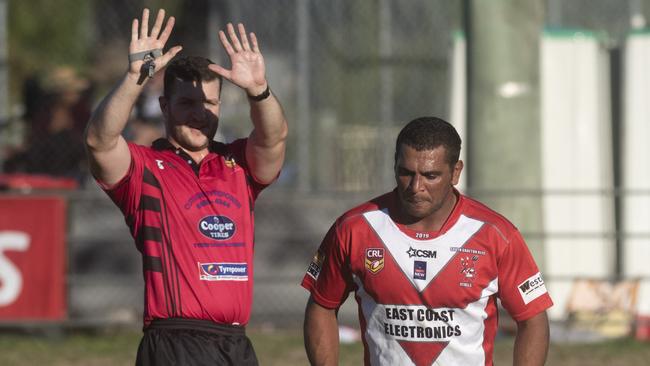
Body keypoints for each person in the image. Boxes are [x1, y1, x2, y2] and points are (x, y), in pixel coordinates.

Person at [84, 8, 287, 366]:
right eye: (187, 103)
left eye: (209, 103)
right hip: (174, 343)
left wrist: (259, 91)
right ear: (164, 106)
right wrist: (135, 77)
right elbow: (100, 141)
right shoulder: (143, 169)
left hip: (236, 344)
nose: (199, 113)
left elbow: (273, 138)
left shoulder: (239, 164)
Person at [302, 117, 552, 366]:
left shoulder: (496, 235)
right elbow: (322, 305)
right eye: (405, 173)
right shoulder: (354, 228)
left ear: (455, 172)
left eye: (430, 175)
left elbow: (533, 319)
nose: (416, 186)